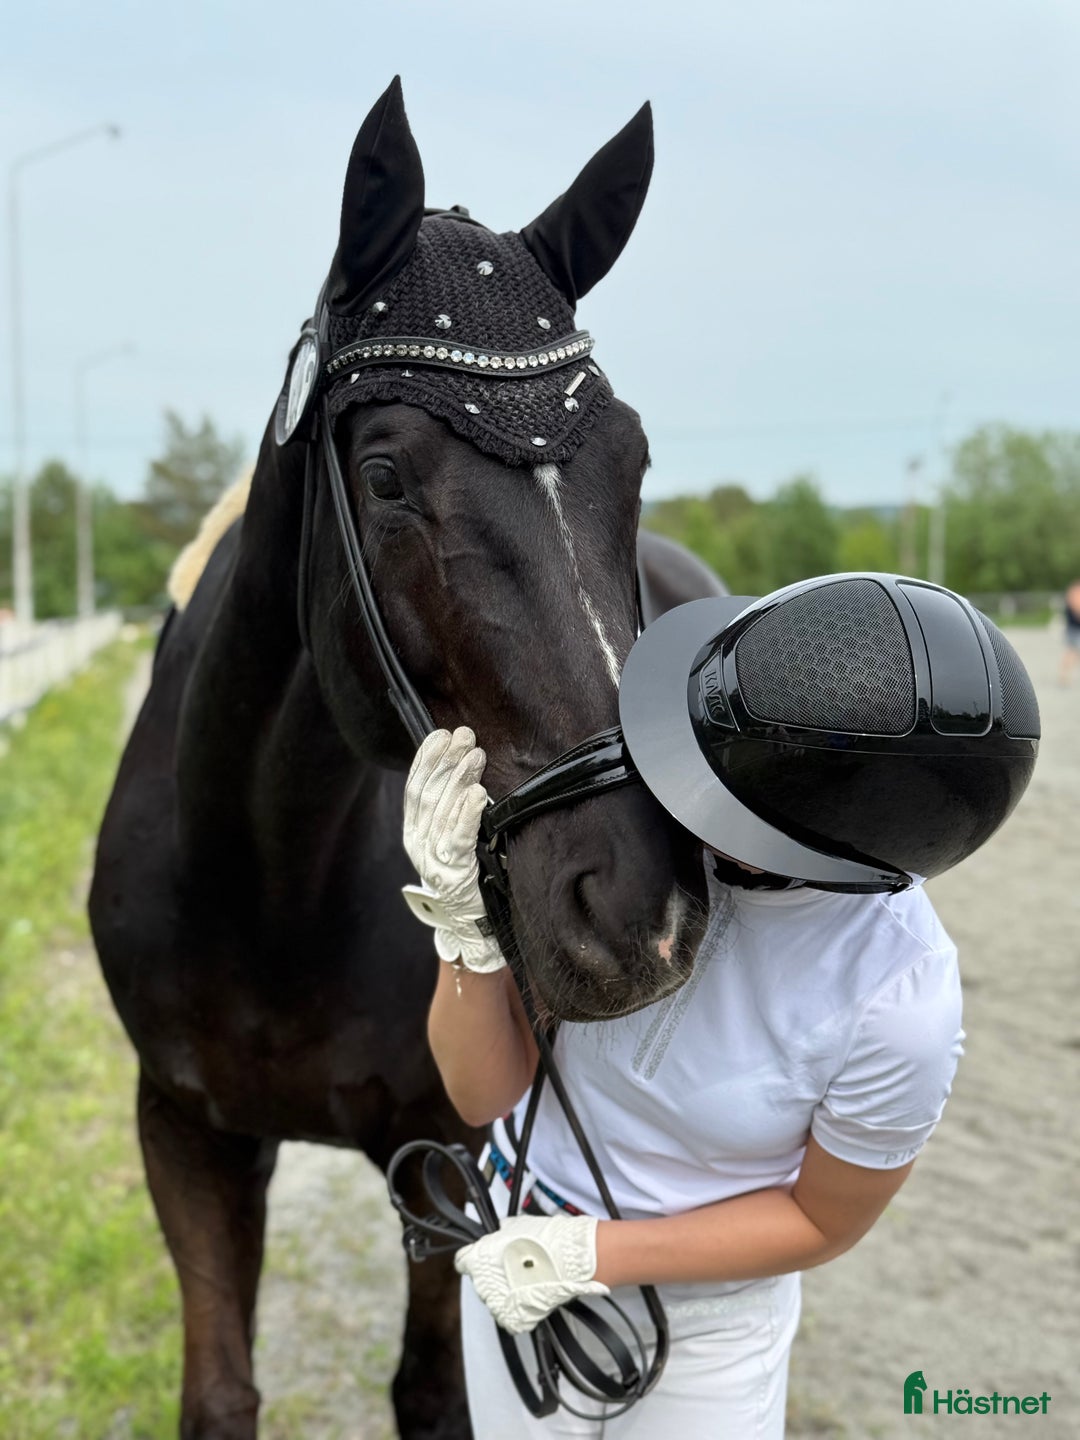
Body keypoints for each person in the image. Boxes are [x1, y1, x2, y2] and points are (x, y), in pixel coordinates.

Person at [400, 573, 1040, 1438]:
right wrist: (465, 937)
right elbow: (484, 1096)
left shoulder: (899, 1000)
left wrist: (592, 1255)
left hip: (706, 1326)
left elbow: (821, 1219)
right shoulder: (620, 830)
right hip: (516, 1247)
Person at [1059, 579, 1080, 686]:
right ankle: (1064, 677)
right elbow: (1076, 609)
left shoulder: (1072, 592)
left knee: (1072, 653)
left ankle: (1064, 676)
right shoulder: (1075, 592)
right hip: (1075, 629)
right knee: (1071, 653)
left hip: (1073, 628)